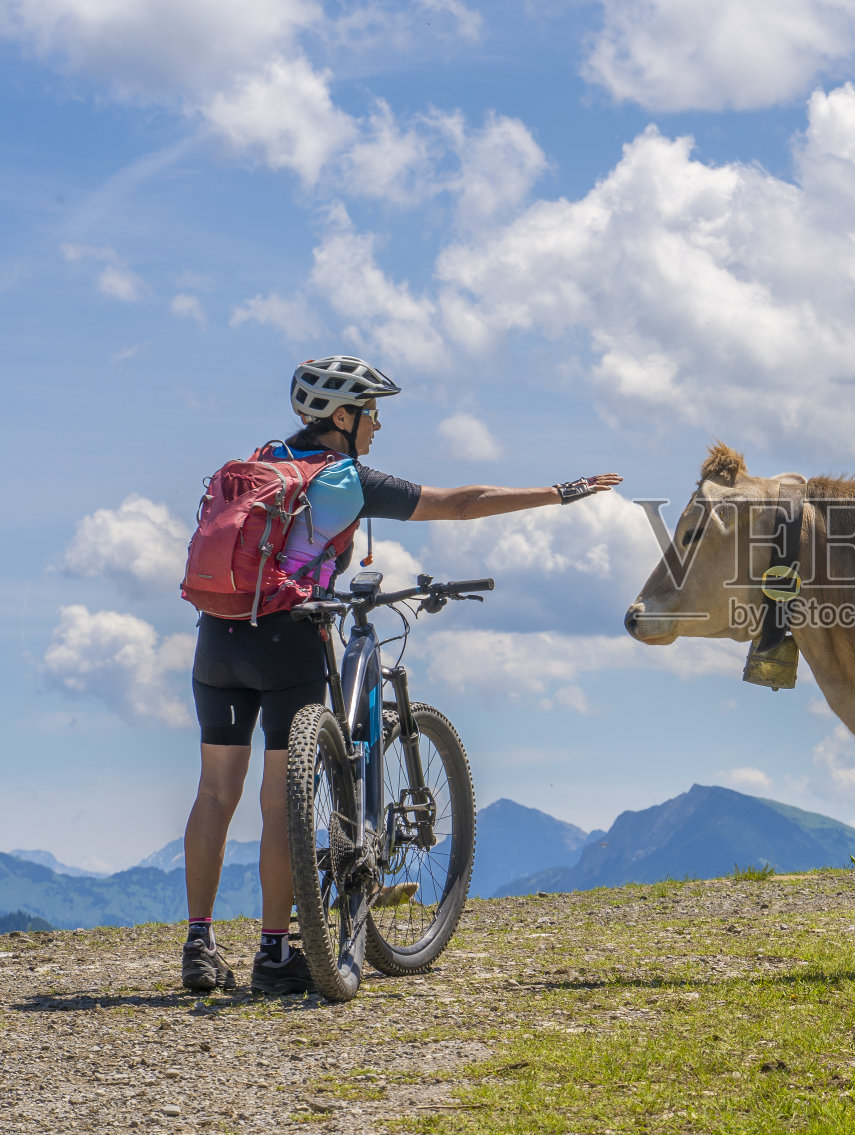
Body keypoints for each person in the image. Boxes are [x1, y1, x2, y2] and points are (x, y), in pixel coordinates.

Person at [180, 356, 621, 994]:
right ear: (342, 417)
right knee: (280, 802)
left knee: (214, 794)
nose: (379, 425)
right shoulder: (346, 479)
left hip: (217, 637)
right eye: (372, 412)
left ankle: (199, 942)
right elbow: (460, 504)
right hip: (287, 641)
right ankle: (273, 953)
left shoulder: (262, 460)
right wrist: (558, 492)